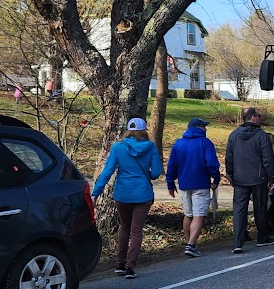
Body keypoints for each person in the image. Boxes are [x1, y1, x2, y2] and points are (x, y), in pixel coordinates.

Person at [92, 117, 163, 279]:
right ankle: (131, 267)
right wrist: (147, 173)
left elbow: (107, 171)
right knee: (136, 230)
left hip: (123, 194)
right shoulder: (150, 147)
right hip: (143, 193)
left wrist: (96, 193)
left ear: (127, 130)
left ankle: (120, 264)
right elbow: (156, 173)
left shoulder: (118, 147)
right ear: (144, 130)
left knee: (124, 227)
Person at [166, 117, 221, 258]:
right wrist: (215, 178)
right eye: (204, 126)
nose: (206, 129)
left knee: (188, 214)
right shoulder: (205, 143)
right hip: (201, 183)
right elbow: (212, 164)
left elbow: (172, 165)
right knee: (198, 215)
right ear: (198, 127)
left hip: (184, 184)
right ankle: (191, 245)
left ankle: (189, 242)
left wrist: (170, 183)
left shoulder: (179, 144)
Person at [225, 107, 274, 251]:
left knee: (239, 210)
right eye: (259, 116)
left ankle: (238, 242)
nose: (260, 118)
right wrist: (271, 177)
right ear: (253, 117)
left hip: (240, 178)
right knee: (260, 208)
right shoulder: (261, 135)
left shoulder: (234, 135)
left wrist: (231, 174)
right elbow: (268, 158)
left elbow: (229, 157)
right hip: (258, 177)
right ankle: (262, 237)